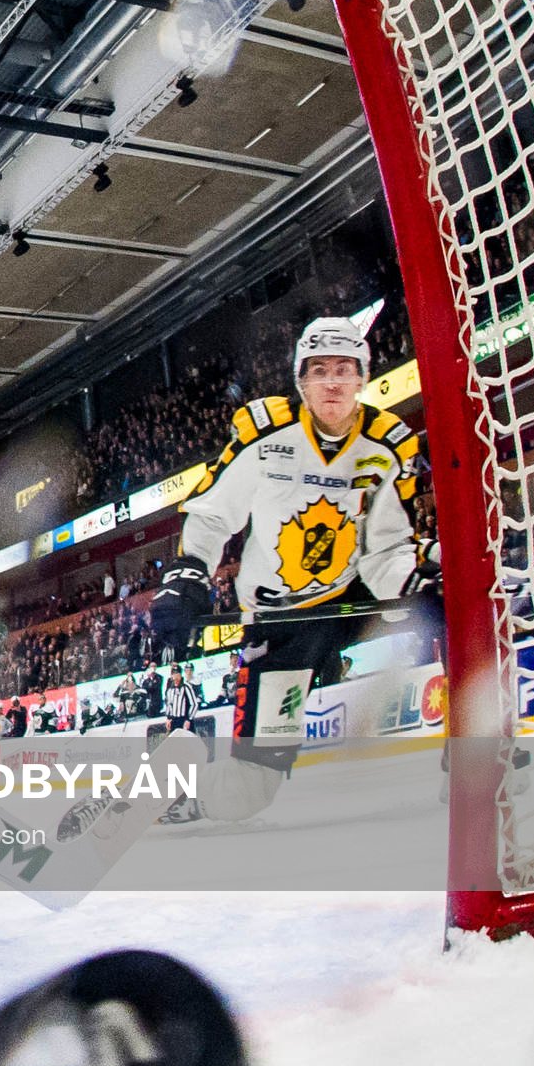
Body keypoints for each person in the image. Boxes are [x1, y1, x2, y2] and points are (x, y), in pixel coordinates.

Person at [148, 317, 440, 820]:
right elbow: (216, 514)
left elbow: (387, 549)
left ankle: (480, 760)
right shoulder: (267, 434)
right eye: (319, 369)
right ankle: (184, 787)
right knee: (246, 795)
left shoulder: (387, 445)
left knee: (450, 595)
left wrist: (415, 584)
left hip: (353, 601)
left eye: (344, 369)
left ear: (362, 377)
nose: (332, 381)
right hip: (283, 620)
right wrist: (189, 571)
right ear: (300, 379)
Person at [162, 663, 198, 732]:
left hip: (184, 719)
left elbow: (194, 704)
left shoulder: (186, 687)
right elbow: (168, 704)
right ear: (171, 676)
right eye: (174, 674)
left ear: (181, 675)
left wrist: (189, 719)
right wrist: (168, 718)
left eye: (177, 674)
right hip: (174, 721)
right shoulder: (169, 689)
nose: (175, 676)